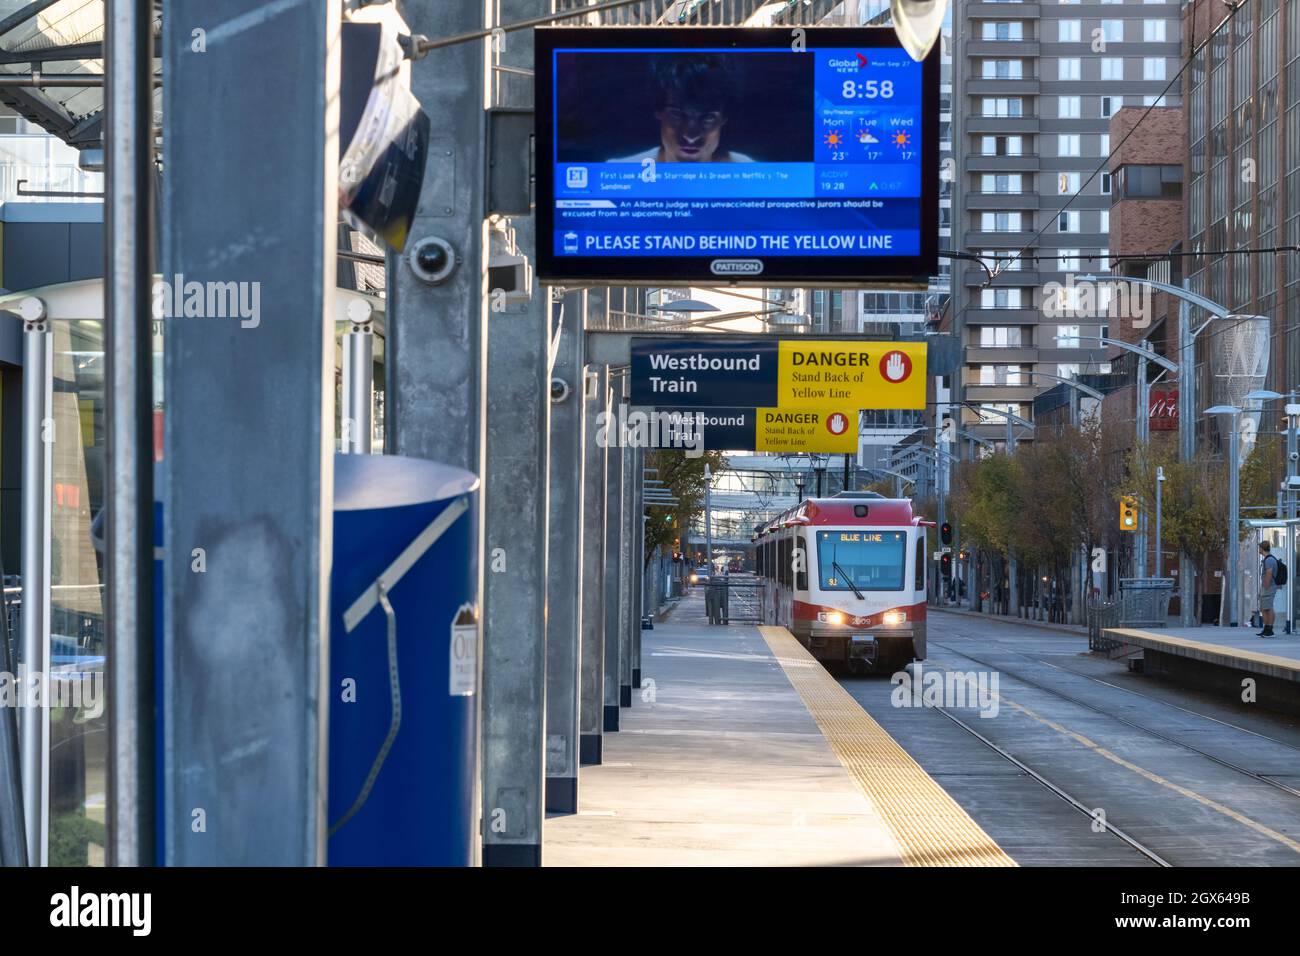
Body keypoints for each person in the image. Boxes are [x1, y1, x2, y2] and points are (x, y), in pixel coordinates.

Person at [609, 54, 755, 164]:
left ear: (724, 117)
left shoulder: (752, 177)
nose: (691, 136)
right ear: (658, 110)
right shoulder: (617, 173)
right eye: (677, 115)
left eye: (707, 117)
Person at [1257, 541, 1280, 638]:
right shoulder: (1267, 559)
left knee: (1268, 608)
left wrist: (1265, 587)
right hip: (1268, 587)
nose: (1259, 550)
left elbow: (1269, 574)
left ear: (1262, 548)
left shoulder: (1269, 560)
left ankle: (1269, 630)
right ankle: (1266, 628)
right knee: (1264, 608)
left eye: (1259, 548)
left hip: (1269, 587)